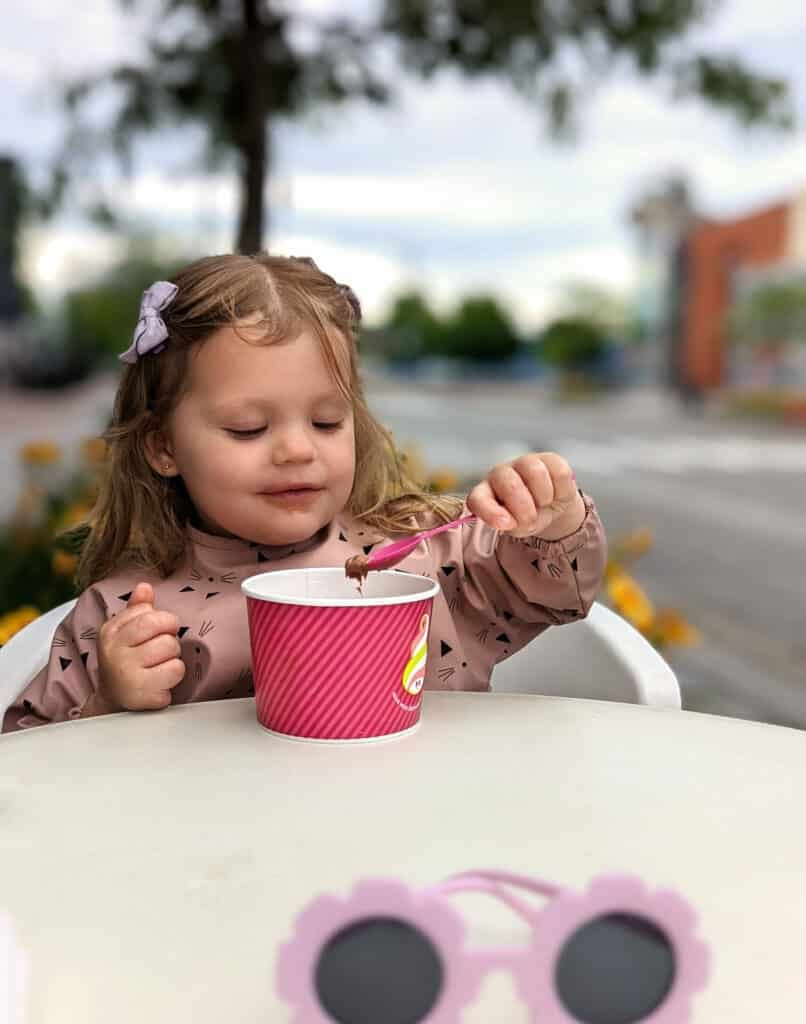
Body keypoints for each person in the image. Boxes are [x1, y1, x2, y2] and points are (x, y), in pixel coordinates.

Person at [2, 253, 607, 733]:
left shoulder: (423, 557)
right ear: (163, 446)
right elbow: (28, 763)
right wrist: (109, 703)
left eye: (325, 421)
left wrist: (550, 520)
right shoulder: (127, 615)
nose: (297, 450)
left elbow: (557, 593)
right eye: (248, 428)